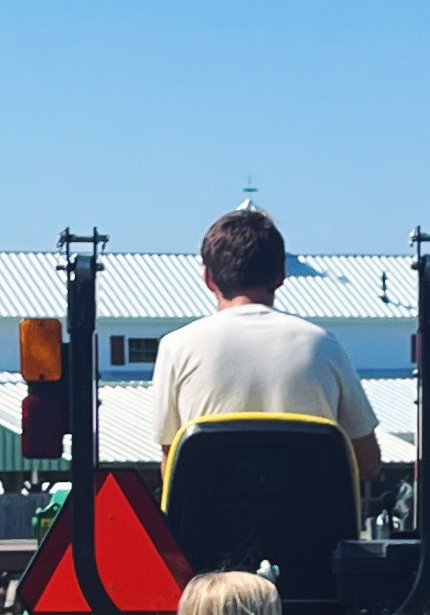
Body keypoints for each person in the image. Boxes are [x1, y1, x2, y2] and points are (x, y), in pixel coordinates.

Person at [149, 208, 385, 493]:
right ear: (281, 274)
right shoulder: (323, 345)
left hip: (210, 534)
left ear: (208, 279)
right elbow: (368, 463)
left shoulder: (176, 348)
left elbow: (172, 464)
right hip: (313, 533)